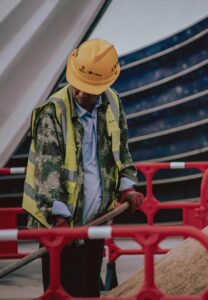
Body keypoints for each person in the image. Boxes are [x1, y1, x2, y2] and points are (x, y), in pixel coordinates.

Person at [22, 38, 144, 297]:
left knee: (89, 289)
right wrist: (59, 218)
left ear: (105, 85)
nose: (80, 93)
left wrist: (127, 186)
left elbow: (121, 150)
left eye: (89, 89)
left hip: (95, 219)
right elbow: (47, 171)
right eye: (78, 85)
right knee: (62, 292)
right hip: (60, 225)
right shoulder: (53, 112)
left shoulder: (112, 103)